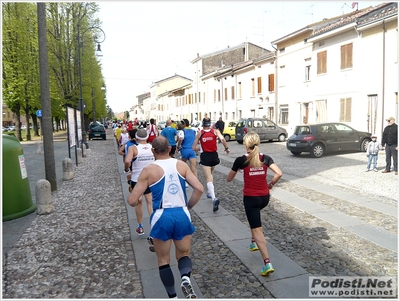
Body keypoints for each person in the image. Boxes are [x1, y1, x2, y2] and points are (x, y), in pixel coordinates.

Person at [127, 136, 204, 299]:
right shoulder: (182, 165)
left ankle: (173, 296)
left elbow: (132, 200)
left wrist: (137, 199)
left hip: (161, 216)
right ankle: (185, 278)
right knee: (183, 254)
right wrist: (188, 206)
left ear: (153, 151)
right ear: (170, 149)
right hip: (182, 213)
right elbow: (199, 188)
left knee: (163, 260)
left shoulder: (149, 170)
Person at [226, 131, 282, 276]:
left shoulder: (241, 160)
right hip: (264, 198)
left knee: (257, 230)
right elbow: (279, 173)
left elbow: (229, 179)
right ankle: (253, 243)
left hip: (251, 198)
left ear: (245, 145)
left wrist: (239, 169)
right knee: (254, 220)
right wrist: (271, 184)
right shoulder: (265, 158)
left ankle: (267, 263)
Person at [192, 117, 230, 212]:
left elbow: (193, 147)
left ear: (203, 124)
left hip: (205, 156)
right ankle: (209, 192)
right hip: (214, 156)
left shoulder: (200, 133)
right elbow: (223, 140)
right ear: (210, 124)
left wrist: (200, 148)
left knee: (208, 178)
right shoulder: (215, 131)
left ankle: (214, 198)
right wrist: (226, 148)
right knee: (211, 174)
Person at [124, 128, 154, 236]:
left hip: (137, 179)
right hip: (150, 178)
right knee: (150, 203)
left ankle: (140, 226)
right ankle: (153, 226)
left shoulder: (133, 148)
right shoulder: (152, 147)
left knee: (139, 202)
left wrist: (127, 169)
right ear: (147, 137)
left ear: (136, 137)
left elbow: (127, 161)